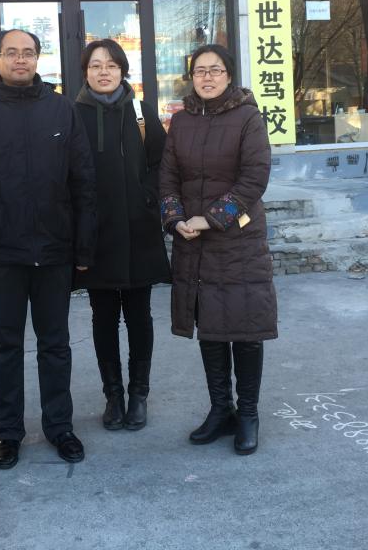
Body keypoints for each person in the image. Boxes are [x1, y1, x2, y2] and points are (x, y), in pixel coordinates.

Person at [0, 28, 96, 470]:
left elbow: (83, 181)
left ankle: (60, 427)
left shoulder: (61, 109)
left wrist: (83, 247)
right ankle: (8, 433)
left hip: (54, 250)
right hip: (3, 253)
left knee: (56, 345)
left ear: (38, 58)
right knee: (5, 348)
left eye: (29, 53)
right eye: (12, 53)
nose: (21, 60)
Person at [159, 44, 277, 456]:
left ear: (229, 76)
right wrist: (175, 219)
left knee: (244, 329)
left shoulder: (248, 117)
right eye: (199, 71)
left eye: (215, 70)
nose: (207, 77)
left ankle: (248, 414)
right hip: (194, 243)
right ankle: (220, 409)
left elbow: (255, 177)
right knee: (209, 328)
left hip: (238, 242)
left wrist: (210, 219)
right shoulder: (181, 121)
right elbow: (167, 177)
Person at [74, 39, 170, 432]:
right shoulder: (73, 114)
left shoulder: (141, 112)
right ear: (85, 71)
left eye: (111, 65)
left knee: (139, 316)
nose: (104, 72)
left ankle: (139, 394)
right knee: (103, 317)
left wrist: (148, 197)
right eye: (96, 65)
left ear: (122, 71)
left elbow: (162, 164)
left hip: (138, 231)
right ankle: (113, 395)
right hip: (95, 234)